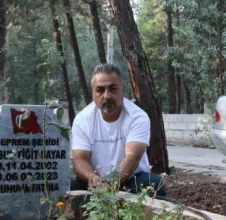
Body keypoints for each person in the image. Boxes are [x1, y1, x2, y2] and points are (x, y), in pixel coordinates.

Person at [71, 63, 165, 195]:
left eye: (113, 89)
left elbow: (132, 157)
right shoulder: (83, 119)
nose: (107, 96)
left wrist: (111, 185)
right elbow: (80, 159)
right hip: (96, 180)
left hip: (131, 179)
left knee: (154, 184)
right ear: (93, 93)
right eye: (100, 90)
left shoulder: (137, 117)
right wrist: (93, 178)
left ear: (123, 90)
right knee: (70, 183)